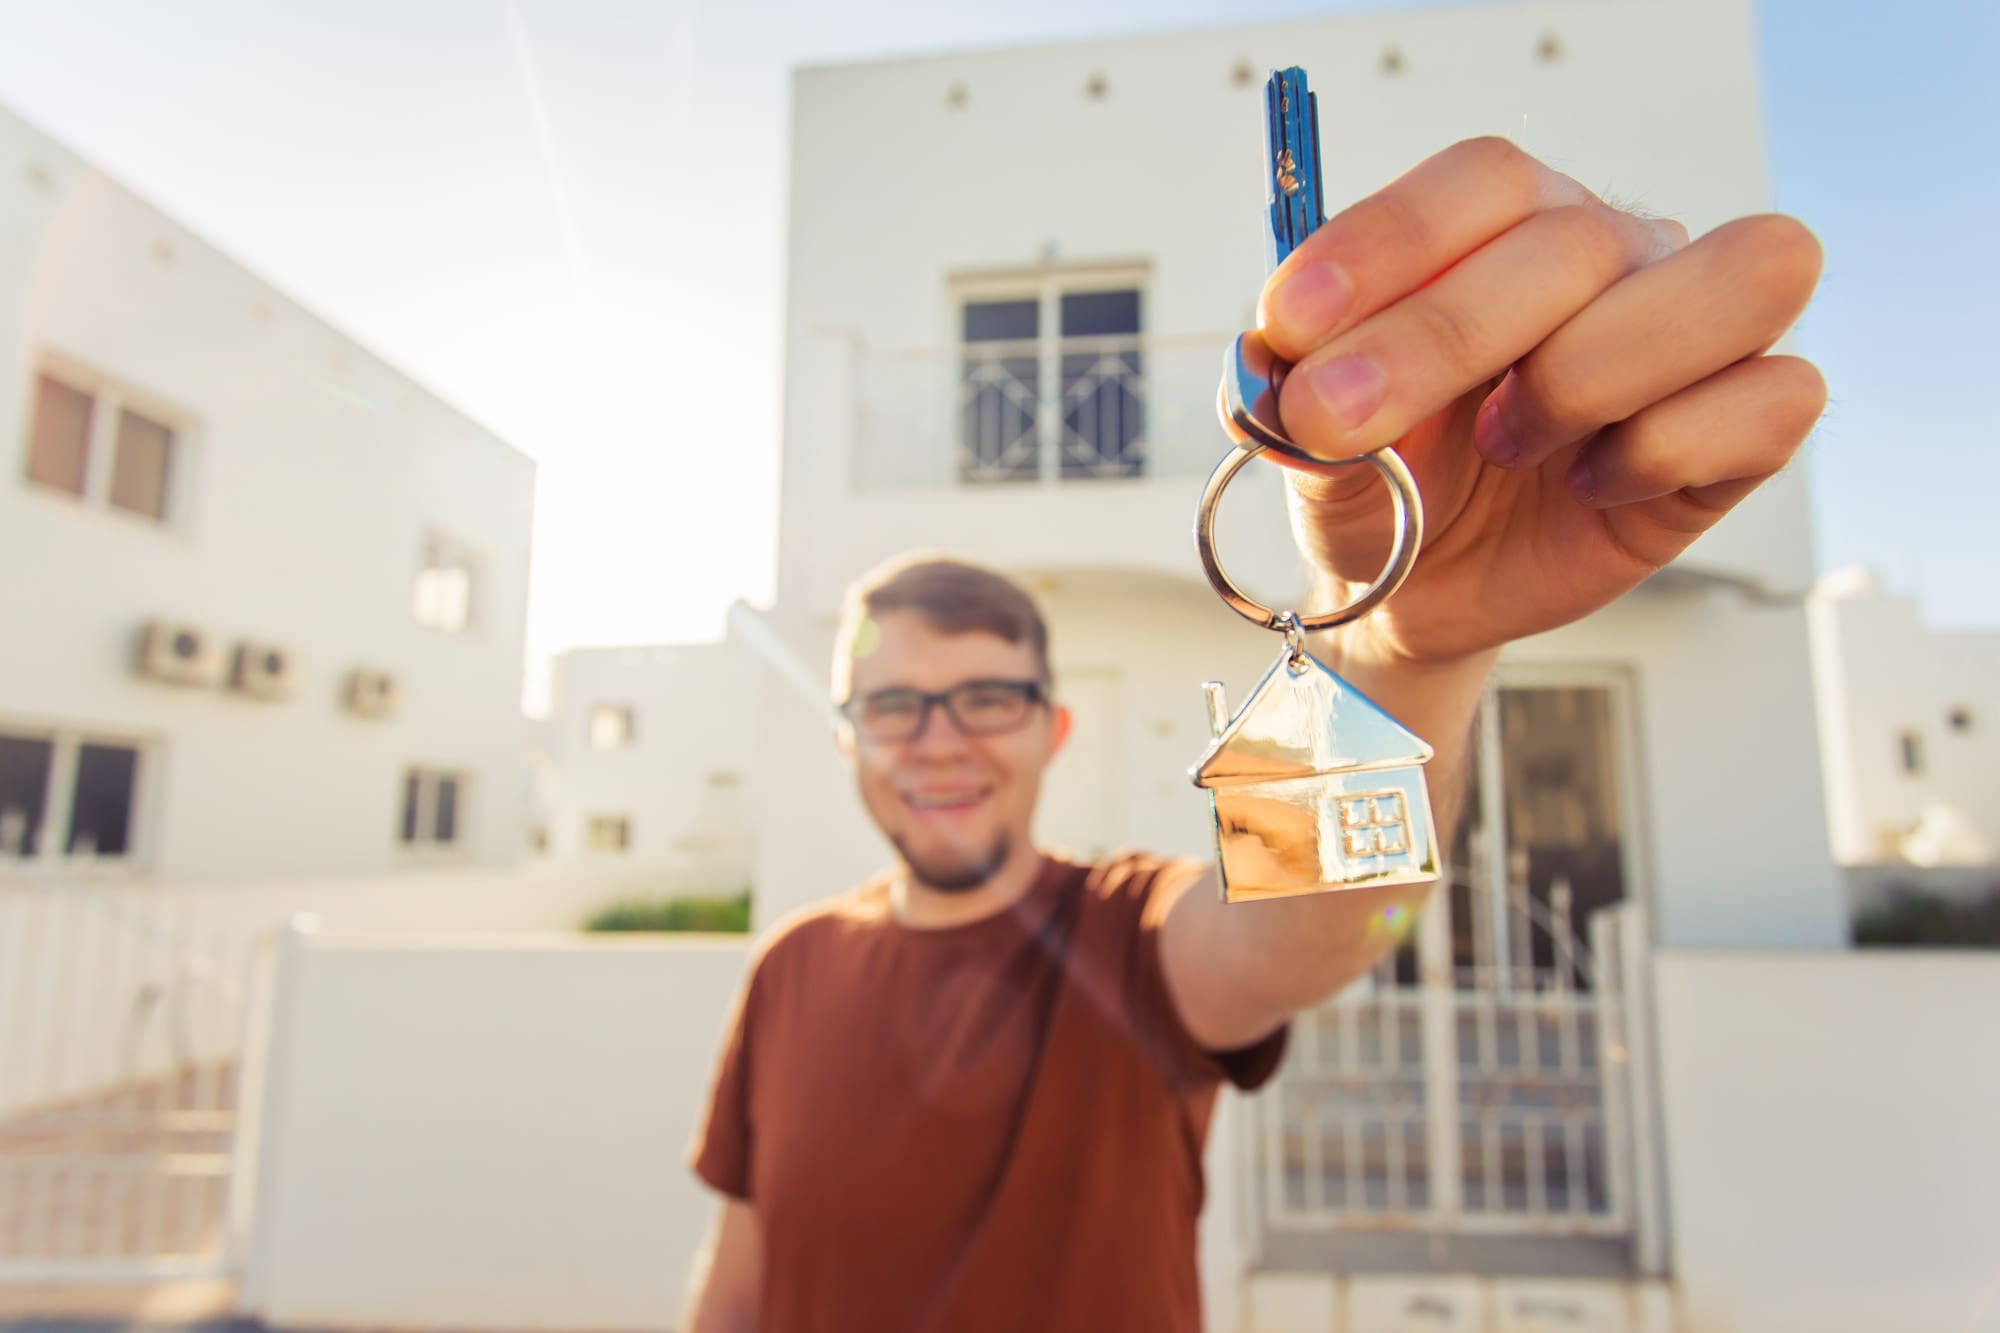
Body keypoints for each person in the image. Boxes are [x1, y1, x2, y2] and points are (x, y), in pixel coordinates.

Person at [681, 136, 1825, 1332]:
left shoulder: (1128, 937)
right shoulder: (787, 968)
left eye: (984, 697)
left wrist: (1403, 649)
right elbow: (737, 1275)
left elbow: (1302, 933)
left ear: (1054, 727)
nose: (938, 739)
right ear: (845, 735)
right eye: (893, 706)